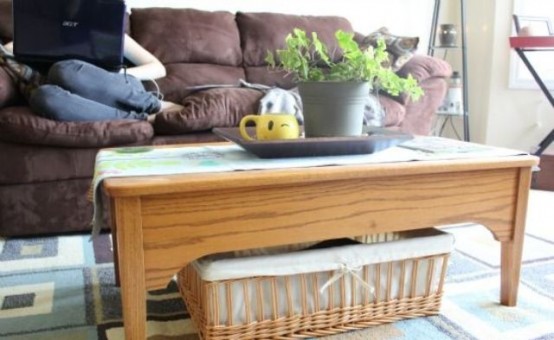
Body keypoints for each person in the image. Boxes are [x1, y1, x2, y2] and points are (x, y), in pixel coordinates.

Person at [1, 35, 182, 123]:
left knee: (64, 69)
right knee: (42, 96)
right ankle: (139, 119)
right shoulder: (45, 32)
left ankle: (154, 105)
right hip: (77, 100)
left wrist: (113, 75)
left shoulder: (109, 32)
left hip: (119, 90)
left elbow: (158, 68)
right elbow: (8, 51)